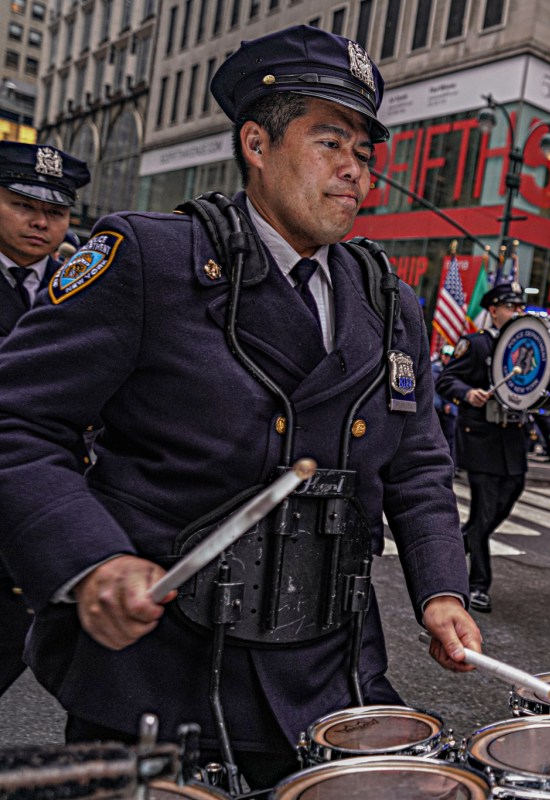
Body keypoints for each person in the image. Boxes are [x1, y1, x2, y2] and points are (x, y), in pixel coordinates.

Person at [0, 25, 482, 790]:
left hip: (329, 673)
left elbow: (418, 462)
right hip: (163, 675)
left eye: (364, 154)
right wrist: (91, 560)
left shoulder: (390, 303)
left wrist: (442, 589)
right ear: (256, 144)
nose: (353, 171)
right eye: (330, 143)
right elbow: (17, 422)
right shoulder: (151, 260)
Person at [0, 141, 91, 696]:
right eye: (22, 205)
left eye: (55, 212)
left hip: (50, 503)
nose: (40, 222)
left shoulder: (86, 282)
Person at [435, 283, 550, 613]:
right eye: (510, 306)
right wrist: (468, 394)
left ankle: (458, 547)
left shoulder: (527, 349)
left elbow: (535, 396)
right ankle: (478, 584)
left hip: (513, 441)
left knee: (504, 503)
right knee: (483, 512)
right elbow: (446, 380)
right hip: (482, 437)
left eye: (521, 307)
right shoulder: (477, 344)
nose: (517, 312)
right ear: (493, 310)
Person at [431, 344, 459, 465]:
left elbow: (456, 390)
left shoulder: (456, 371)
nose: (447, 358)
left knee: (450, 439)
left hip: (450, 409)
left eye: (450, 356)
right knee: (434, 437)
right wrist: (442, 405)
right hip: (437, 409)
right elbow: (434, 389)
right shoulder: (434, 369)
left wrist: (451, 405)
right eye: (445, 355)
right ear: (442, 355)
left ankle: (451, 466)